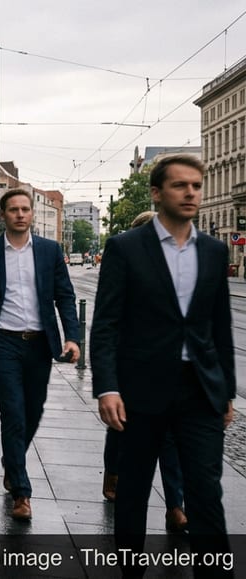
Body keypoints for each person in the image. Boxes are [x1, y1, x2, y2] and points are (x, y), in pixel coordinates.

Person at [90, 154, 235, 567]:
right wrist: (108, 386)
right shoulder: (125, 248)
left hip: (198, 390)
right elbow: (106, 324)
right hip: (141, 390)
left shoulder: (213, 250)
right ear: (157, 193)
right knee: (133, 492)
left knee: (206, 494)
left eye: (195, 185)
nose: (190, 193)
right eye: (180, 185)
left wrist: (224, 390)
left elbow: (218, 328)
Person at [0, 188, 80, 522]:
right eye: (14, 210)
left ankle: (11, 461)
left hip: (40, 343)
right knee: (12, 412)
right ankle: (21, 492)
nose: (21, 214)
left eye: (25, 209)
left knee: (33, 412)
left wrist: (72, 336)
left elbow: (64, 296)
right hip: (4, 343)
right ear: (3, 215)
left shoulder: (49, 251)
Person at [99, 210, 188, 532]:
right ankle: (113, 473)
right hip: (129, 367)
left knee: (170, 440)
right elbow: (107, 324)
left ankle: (175, 504)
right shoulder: (124, 266)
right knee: (119, 428)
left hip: (169, 372)